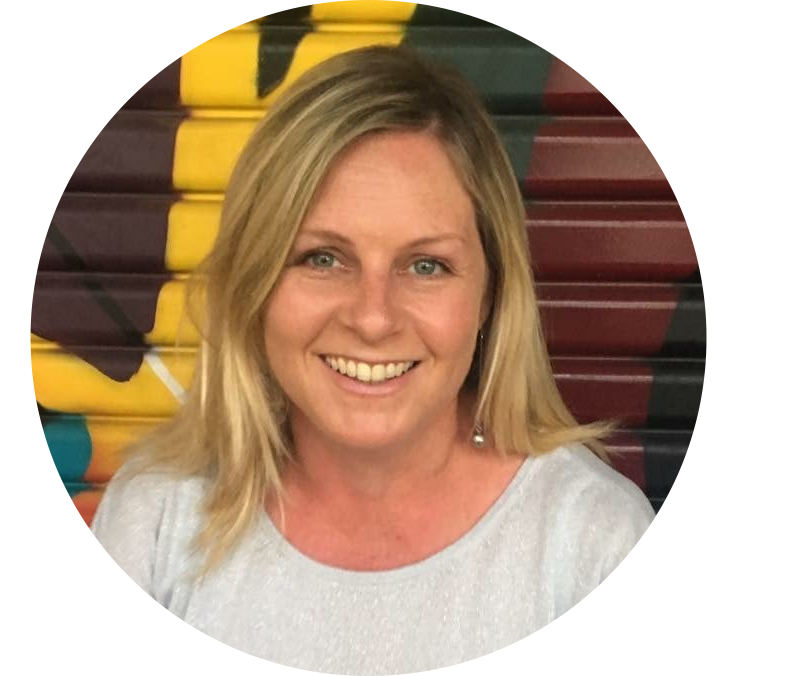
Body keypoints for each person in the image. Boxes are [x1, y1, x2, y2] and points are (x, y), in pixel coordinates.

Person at [91, 45, 654, 675]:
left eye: (426, 265)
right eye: (322, 258)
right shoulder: (154, 521)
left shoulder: (595, 547)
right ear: (255, 283)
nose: (373, 318)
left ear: (489, 295)